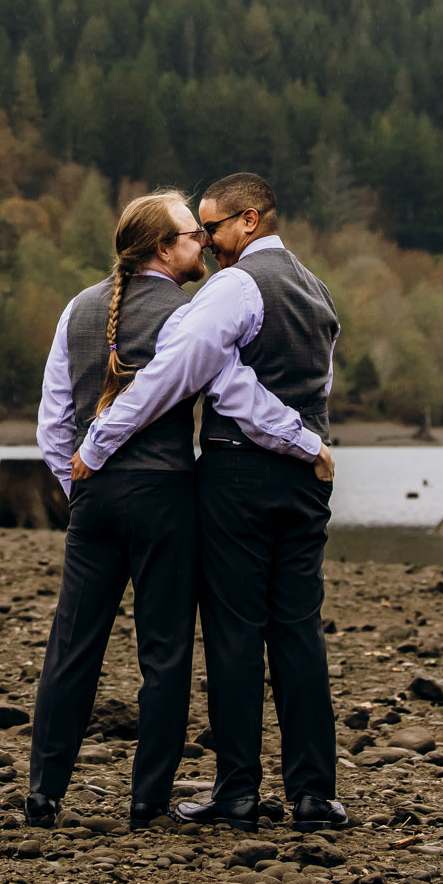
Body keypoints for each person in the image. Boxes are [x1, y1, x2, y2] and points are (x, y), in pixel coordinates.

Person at [77, 171, 345, 828]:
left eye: (214, 228)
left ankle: (239, 791)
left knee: (233, 631)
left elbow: (189, 376)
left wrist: (101, 437)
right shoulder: (317, 289)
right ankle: (313, 792)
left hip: (239, 473)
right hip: (308, 480)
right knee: (299, 632)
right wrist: (309, 443)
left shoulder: (235, 288)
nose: (209, 244)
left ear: (250, 220)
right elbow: (318, 383)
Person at [26, 190, 209, 830]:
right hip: (163, 497)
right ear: (162, 249)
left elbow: (52, 424)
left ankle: (45, 791)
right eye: (192, 234)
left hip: (94, 497)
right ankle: (147, 801)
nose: (203, 242)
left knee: (72, 647)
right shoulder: (187, 316)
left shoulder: (77, 309)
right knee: (164, 653)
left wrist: (78, 488)